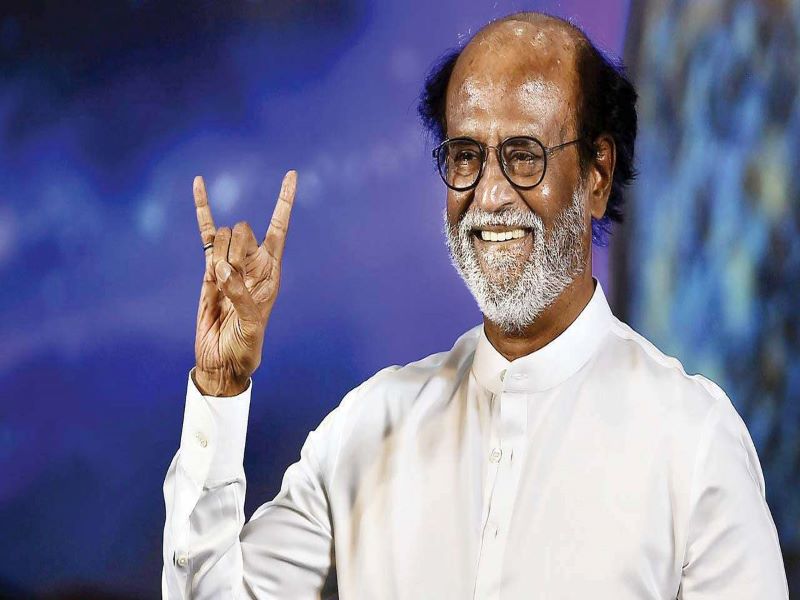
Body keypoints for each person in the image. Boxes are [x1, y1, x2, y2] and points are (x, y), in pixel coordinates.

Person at [161, 11, 789, 599]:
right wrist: (221, 386)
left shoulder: (691, 440)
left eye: (523, 155)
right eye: (466, 156)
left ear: (597, 174)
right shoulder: (369, 426)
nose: (489, 196)